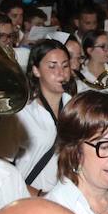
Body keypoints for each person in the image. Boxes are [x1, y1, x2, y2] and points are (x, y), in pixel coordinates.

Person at [13, 39, 71, 194]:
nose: (61, 73)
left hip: (67, 197)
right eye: (52, 66)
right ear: (36, 71)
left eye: (65, 66)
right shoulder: (21, 113)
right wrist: (40, 196)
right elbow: (0, 169)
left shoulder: (74, 106)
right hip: (31, 199)